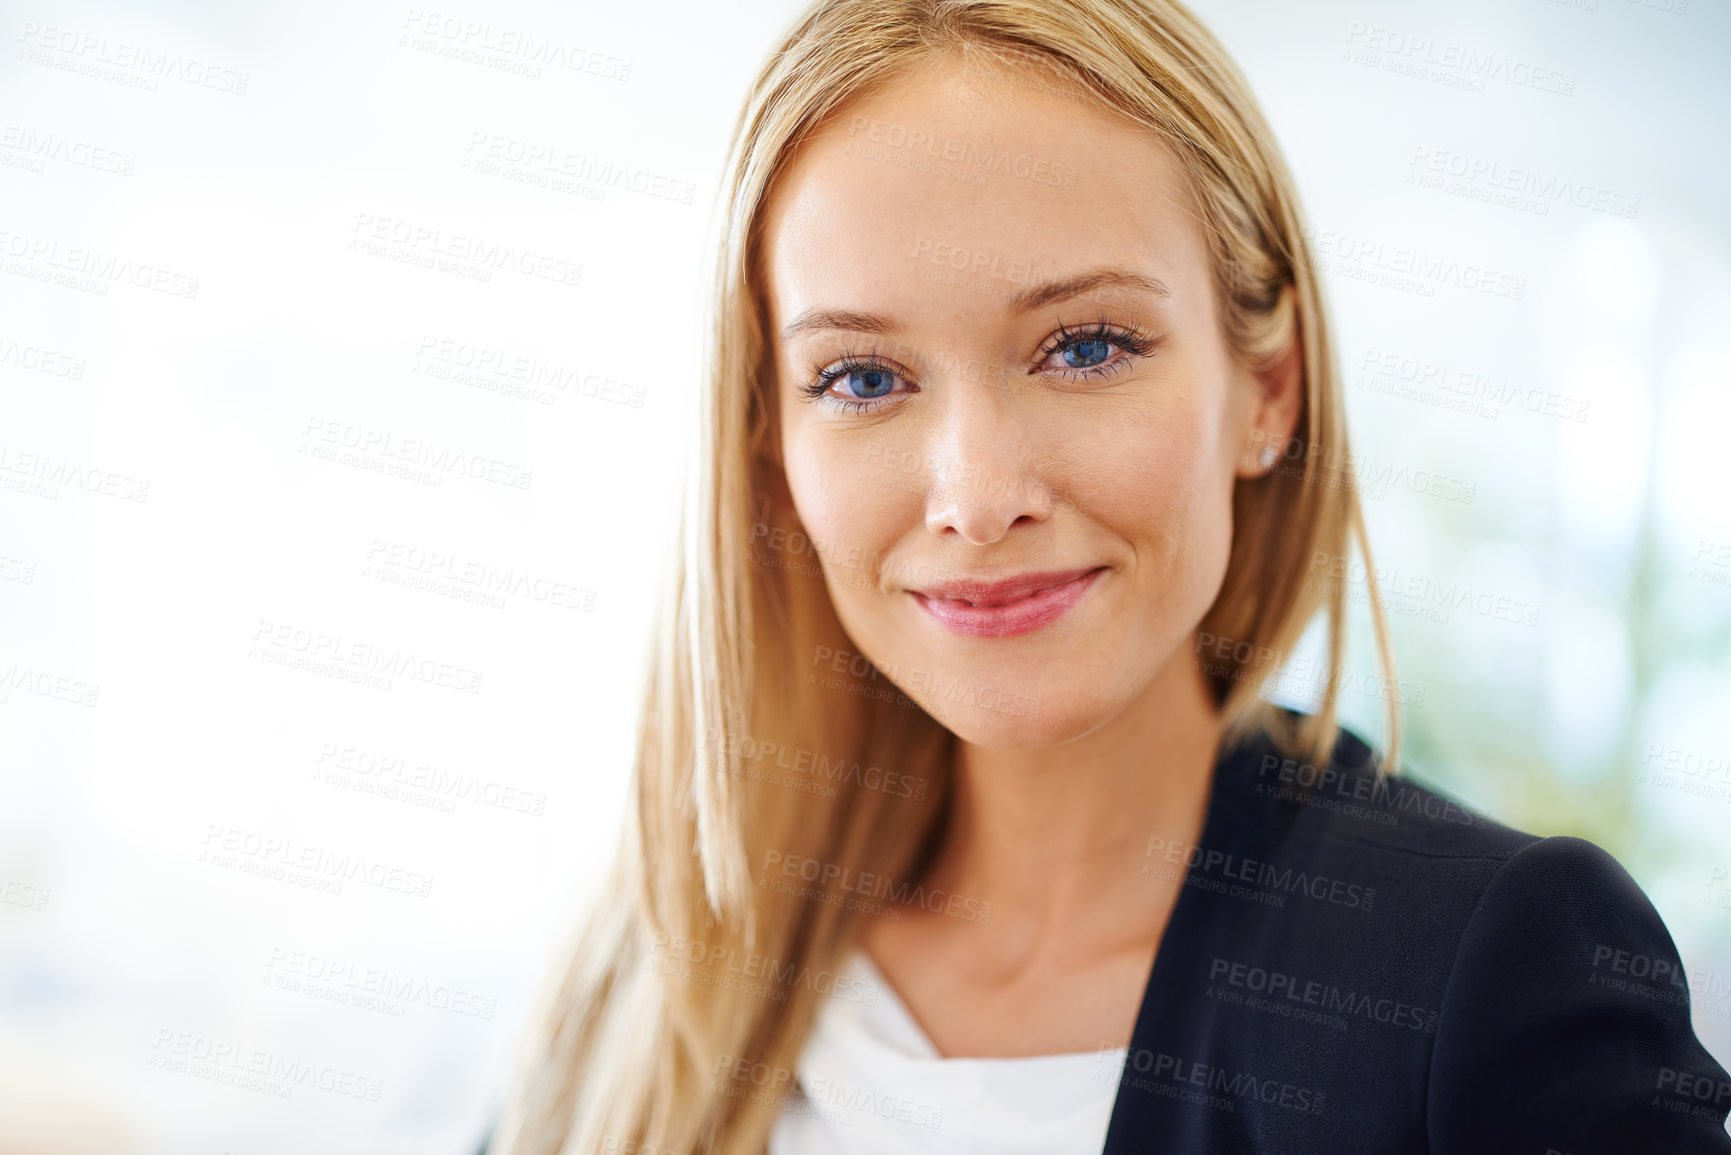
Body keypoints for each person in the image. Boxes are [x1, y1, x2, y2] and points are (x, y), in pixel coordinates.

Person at [478, 1, 1731, 1152]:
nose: (976, 496)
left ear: (1269, 390)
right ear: (772, 446)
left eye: (1084, 346)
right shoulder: (648, 979)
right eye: (862, 377)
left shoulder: (1494, 974)